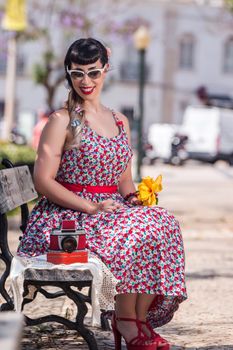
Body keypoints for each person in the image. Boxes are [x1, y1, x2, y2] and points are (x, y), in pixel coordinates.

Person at [17, 38, 187, 350]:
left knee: (162, 223)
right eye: (77, 73)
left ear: (105, 70)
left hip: (109, 210)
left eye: (93, 72)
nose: (86, 81)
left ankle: (138, 320)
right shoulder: (62, 120)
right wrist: (92, 207)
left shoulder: (119, 120)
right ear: (69, 74)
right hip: (66, 218)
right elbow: (43, 181)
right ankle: (126, 319)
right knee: (134, 231)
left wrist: (137, 199)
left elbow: (124, 180)